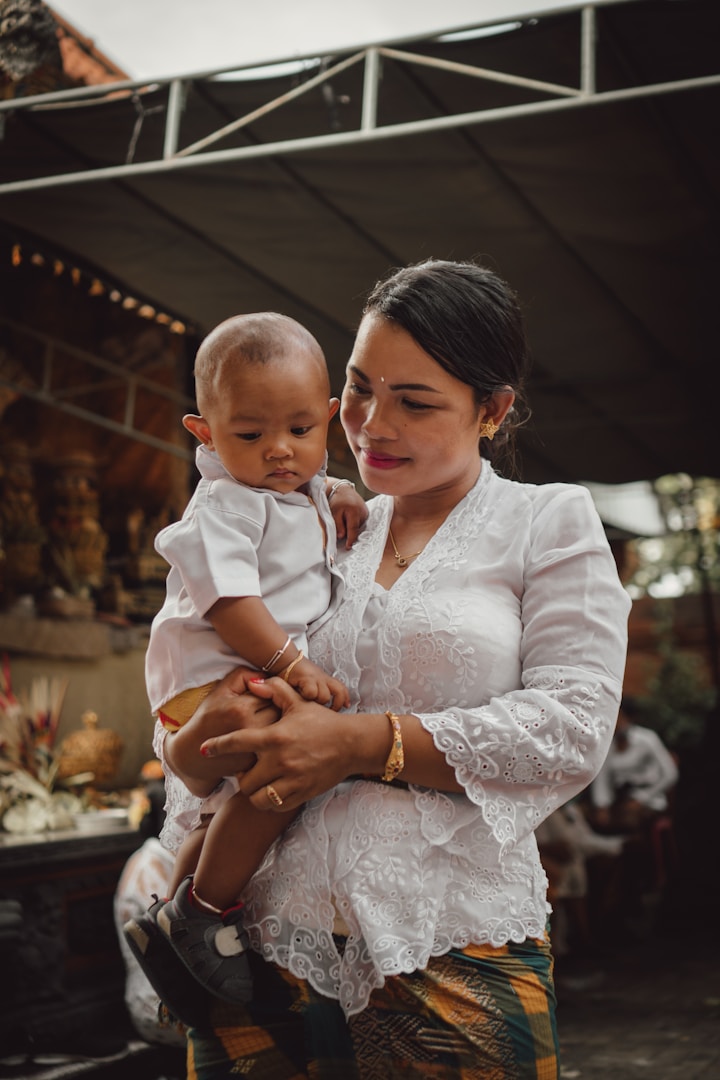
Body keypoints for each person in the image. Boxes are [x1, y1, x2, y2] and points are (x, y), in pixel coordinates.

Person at [154, 259, 631, 1079]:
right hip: (260, 948)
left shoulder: (544, 521)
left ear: (493, 410)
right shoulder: (314, 518)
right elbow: (204, 661)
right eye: (360, 387)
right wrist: (188, 747)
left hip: (449, 940)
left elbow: (572, 728)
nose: (372, 423)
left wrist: (357, 743)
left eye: (414, 403)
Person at [124, 312, 367, 1015]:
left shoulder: (306, 487)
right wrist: (293, 665)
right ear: (204, 433)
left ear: (327, 419)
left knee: (231, 805)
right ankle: (204, 911)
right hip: (215, 676)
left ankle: (174, 921)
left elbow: (318, 487)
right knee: (281, 774)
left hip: (249, 673)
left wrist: (341, 489)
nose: (280, 452)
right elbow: (231, 603)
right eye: (250, 435)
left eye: (300, 429)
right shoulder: (224, 505)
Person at [589, 697, 678, 833]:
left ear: (629, 718)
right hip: (620, 801)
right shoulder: (608, 745)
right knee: (587, 818)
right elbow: (602, 779)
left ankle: (629, 850)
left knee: (628, 822)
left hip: (650, 801)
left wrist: (642, 798)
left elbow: (670, 774)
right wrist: (602, 806)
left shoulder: (647, 739)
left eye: (619, 716)